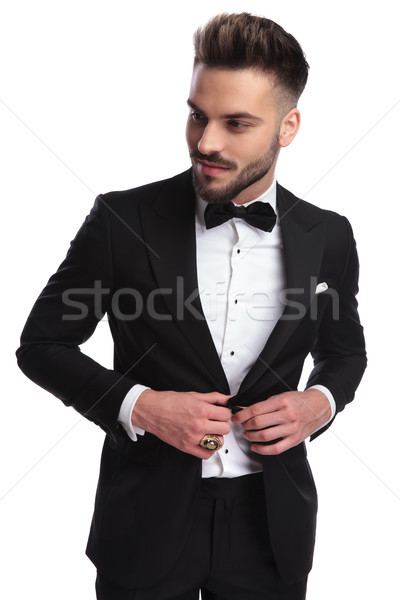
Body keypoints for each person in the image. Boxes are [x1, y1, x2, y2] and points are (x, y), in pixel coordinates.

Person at [16, 12, 367, 600]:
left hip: (272, 527)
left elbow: (345, 353)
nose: (206, 141)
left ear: (288, 127)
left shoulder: (329, 236)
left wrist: (318, 404)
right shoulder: (121, 220)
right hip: (145, 521)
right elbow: (41, 345)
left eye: (236, 123)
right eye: (198, 115)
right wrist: (142, 406)